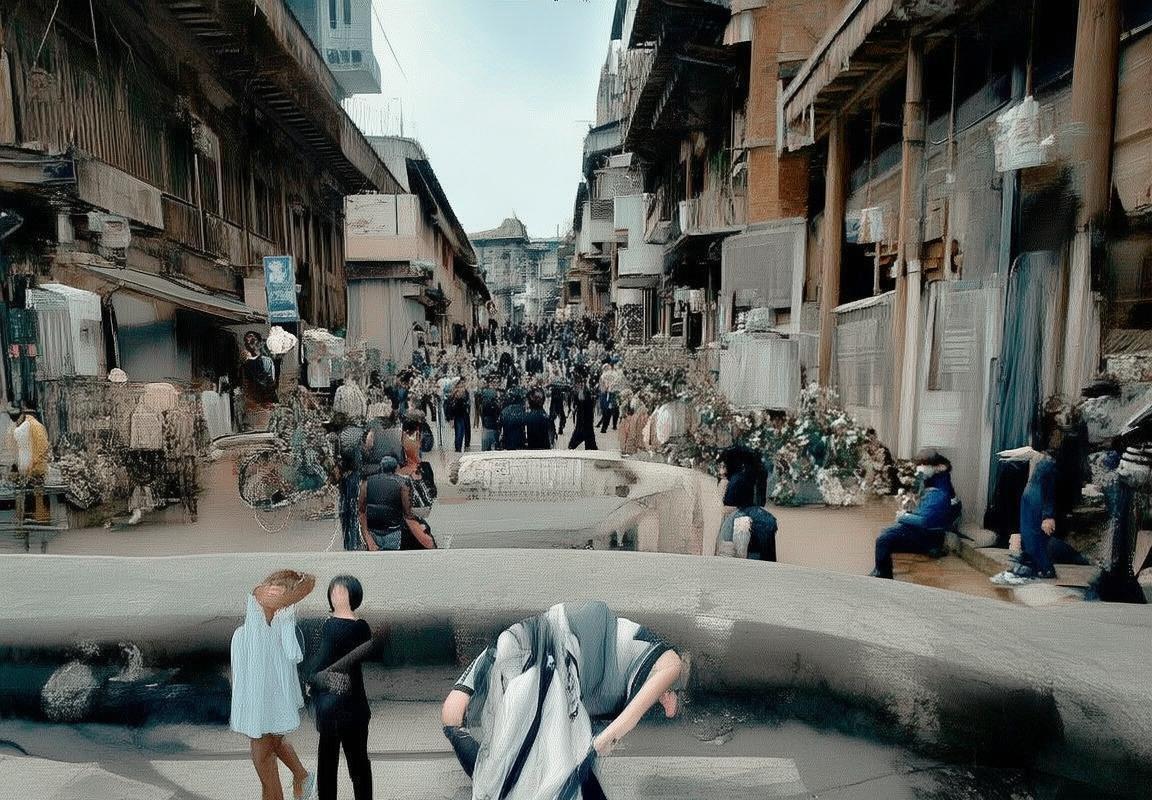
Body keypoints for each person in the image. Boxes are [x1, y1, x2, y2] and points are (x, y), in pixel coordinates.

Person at [441, 601, 683, 798]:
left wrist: (606, 738)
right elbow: (452, 713)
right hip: (555, 655)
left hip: (559, 653)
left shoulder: (511, 648)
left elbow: (452, 714)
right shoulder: (510, 650)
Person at [230, 569, 316, 800]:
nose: (271, 593)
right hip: (260, 704)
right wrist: (293, 587)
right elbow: (263, 594)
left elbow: (293, 655)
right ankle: (302, 777)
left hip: (267, 704)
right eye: (272, 588)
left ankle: (302, 778)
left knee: (264, 759)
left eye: (279, 591)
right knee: (271, 750)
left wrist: (294, 591)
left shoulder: (280, 621)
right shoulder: (258, 609)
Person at [308, 576, 374, 800]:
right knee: (328, 765)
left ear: (353, 595)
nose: (336, 595)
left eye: (342, 592)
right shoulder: (327, 625)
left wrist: (318, 676)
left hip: (352, 706)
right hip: (330, 706)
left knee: (357, 764)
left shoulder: (360, 627)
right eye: (333, 591)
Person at [871, 450, 959, 579]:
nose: (920, 468)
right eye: (919, 465)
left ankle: (882, 575)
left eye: (924, 464)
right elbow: (919, 501)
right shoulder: (935, 480)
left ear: (937, 467)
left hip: (928, 536)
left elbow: (925, 521)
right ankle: (881, 572)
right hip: (929, 532)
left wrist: (904, 517)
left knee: (883, 539)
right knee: (885, 532)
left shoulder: (938, 491)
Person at [358, 455, 436, 550]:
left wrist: (367, 536)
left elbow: (361, 511)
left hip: (373, 531)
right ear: (396, 468)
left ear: (381, 467)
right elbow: (408, 514)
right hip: (393, 530)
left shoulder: (367, 482)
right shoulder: (403, 483)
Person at [716, 451, 778, 561]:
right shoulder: (751, 474)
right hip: (755, 513)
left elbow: (727, 505)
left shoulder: (733, 481)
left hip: (740, 513)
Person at [5, 404, 51, 523]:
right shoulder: (37, 426)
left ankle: (30, 518)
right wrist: (36, 464)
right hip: (36, 467)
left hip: (26, 467)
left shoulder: (22, 427)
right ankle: (41, 518)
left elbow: (13, 444)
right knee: (38, 494)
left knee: (29, 494)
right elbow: (44, 447)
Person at [569, 369, 599, 451]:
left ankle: (575, 444)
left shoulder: (585, 389)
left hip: (584, 417)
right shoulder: (584, 388)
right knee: (588, 436)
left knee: (583, 433)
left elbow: (582, 400)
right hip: (584, 417)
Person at [477, 373, 504, 452]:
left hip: (494, 426)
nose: (495, 384)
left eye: (497, 382)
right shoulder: (486, 394)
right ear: (490, 383)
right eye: (493, 382)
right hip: (489, 425)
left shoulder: (501, 393)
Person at [598, 363, 623, 434]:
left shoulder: (614, 374)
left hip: (612, 395)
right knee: (607, 411)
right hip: (607, 395)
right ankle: (605, 427)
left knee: (612, 410)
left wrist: (610, 387)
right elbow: (602, 385)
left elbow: (618, 384)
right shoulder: (604, 375)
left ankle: (610, 426)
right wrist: (605, 388)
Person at [447, 382, 471, 453]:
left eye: (462, 387)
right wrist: (451, 418)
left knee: (466, 430)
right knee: (459, 433)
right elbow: (450, 408)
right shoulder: (453, 397)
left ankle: (465, 445)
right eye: (459, 387)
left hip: (464, 415)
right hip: (458, 416)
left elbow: (467, 405)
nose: (461, 389)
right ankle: (458, 448)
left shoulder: (466, 395)